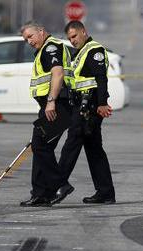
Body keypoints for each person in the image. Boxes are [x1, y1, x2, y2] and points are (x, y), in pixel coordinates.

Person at [57, 20, 116, 204]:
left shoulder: (94, 50)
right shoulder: (80, 53)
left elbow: (101, 78)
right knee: (94, 150)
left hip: (89, 107)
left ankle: (55, 186)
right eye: (69, 38)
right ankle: (105, 193)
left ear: (84, 32)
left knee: (71, 145)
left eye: (74, 36)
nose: (72, 40)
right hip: (80, 105)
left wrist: (102, 103)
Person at [18, 20, 75, 206]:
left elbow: (57, 74)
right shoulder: (44, 49)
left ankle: (60, 185)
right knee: (42, 147)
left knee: (40, 146)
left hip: (56, 105)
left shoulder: (51, 48)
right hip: (51, 106)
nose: (29, 41)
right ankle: (40, 194)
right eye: (26, 39)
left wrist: (50, 102)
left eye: (30, 36)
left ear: (41, 31)